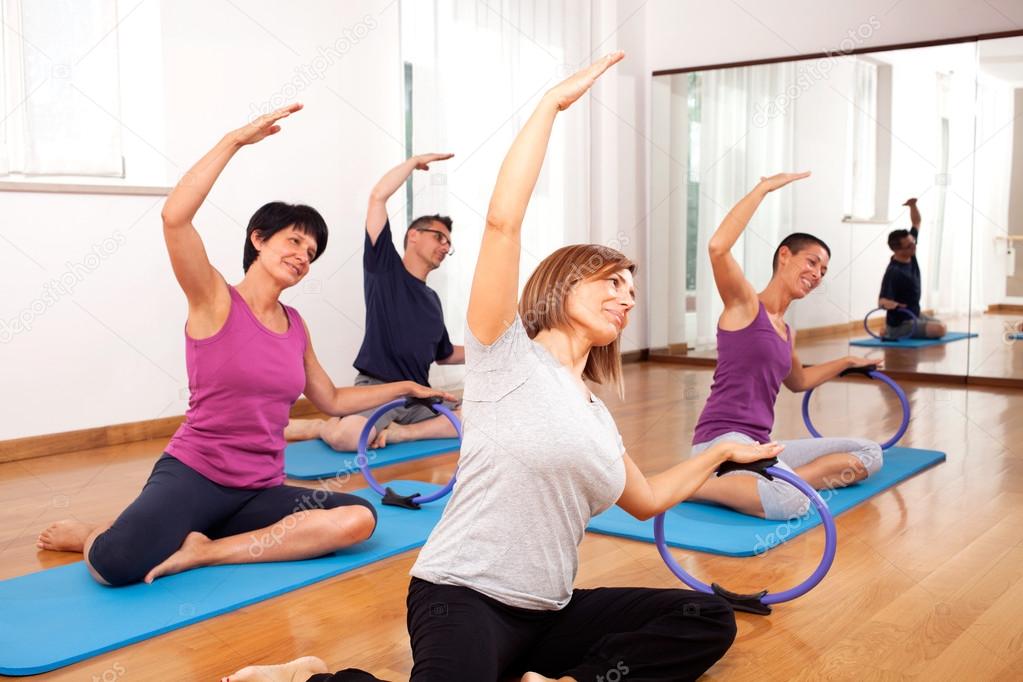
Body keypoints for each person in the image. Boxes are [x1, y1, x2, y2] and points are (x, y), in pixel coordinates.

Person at [223, 52, 773, 682]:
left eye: (631, 289)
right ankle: (314, 677)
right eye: (611, 281)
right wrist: (549, 108)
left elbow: (646, 500)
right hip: (462, 596)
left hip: (550, 612)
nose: (626, 296)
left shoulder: (596, 415)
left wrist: (721, 452)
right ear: (562, 285)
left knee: (706, 618)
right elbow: (503, 222)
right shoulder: (505, 355)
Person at [36, 104, 452, 587]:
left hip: (258, 489)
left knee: (358, 519)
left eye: (311, 253)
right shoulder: (214, 299)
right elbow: (175, 218)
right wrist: (235, 140)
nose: (302, 257)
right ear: (258, 239)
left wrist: (405, 387)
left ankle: (207, 550)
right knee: (114, 565)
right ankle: (98, 531)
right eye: (294, 242)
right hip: (194, 475)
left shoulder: (295, 324)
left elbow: (332, 401)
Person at [687, 173, 886, 521]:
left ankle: (781, 482)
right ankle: (693, 481)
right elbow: (718, 247)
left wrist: (846, 361)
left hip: (760, 445)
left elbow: (799, 382)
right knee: (792, 503)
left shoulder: (786, 331)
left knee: (869, 453)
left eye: (823, 270)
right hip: (721, 441)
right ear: (784, 256)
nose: (817, 274)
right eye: (811, 262)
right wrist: (762, 189)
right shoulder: (745, 305)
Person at [286, 154, 463, 451]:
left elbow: (443, 354)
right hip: (377, 390)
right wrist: (413, 162)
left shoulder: (432, 300)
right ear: (414, 236)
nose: (445, 246)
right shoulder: (385, 270)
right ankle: (321, 426)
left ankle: (400, 434)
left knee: (476, 420)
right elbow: (378, 197)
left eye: (449, 243)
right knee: (353, 438)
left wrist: (490, 351)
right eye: (439, 237)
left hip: (418, 396)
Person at [878, 197, 947, 339]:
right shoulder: (894, 272)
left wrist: (913, 206)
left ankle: (886, 329)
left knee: (943, 325)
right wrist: (894, 305)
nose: (914, 246)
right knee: (939, 330)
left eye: (913, 242)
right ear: (896, 249)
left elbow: (916, 222)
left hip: (915, 315)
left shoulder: (911, 253)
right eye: (909, 245)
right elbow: (882, 302)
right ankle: (890, 330)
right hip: (901, 323)